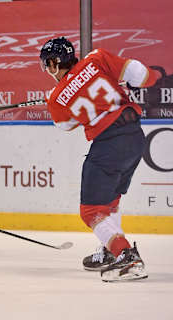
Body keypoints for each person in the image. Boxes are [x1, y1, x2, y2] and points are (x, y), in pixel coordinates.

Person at [39, 37, 159, 282]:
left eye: (47, 65)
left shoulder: (56, 97)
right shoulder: (97, 59)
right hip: (134, 137)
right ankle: (109, 249)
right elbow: (139, 74)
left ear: (53, 64)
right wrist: (155, 74)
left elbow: (66, 125)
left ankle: (127, 256)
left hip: (108, 145)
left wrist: (56, 100)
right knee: (110, 202)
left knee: (91, 211)